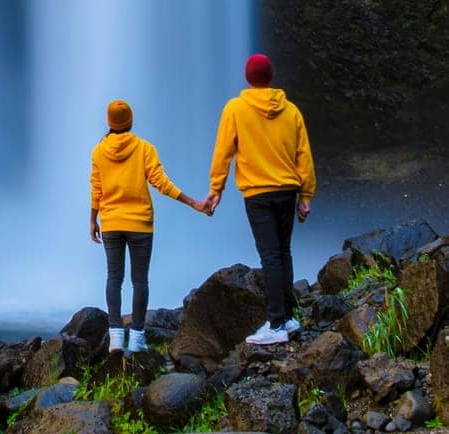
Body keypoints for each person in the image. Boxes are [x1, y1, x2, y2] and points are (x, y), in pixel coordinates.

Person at [205, 52, 316, 347]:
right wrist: (305, 195)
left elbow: (223, 152)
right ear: (270, 77)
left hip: (258, 193)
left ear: (248, 78)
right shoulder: (291, 110)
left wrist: (216, 189)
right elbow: (303, 155)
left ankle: (276, 322)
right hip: (286, 191)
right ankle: (289, 316)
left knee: (269, 255)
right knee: (283, 252)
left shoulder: (236, 109)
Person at [90, 99, 208, 353]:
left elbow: (96, 188)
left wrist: (92, 219)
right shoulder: (144, 148)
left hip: (110, 222)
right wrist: (192, 202)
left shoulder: (99, 151)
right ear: (130, 122)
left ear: (110, 123)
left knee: (114, 277)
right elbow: (161, 183)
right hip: (140, 224)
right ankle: (137, 338)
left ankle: (115, 338)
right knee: (139, 280)